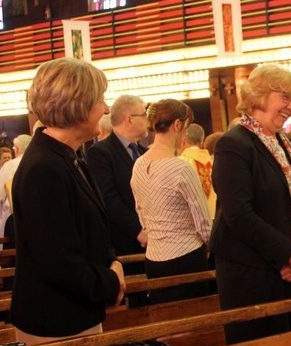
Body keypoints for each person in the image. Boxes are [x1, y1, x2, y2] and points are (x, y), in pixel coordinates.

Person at [10, 57, 125, 346]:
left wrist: (112, 261)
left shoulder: (71, 156)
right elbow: (56, 260)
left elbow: (93, 224)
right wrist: (109, 283)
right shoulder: (44, 166)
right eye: (100, 99)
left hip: (76, 309)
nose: (106, 108)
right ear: (76, 103)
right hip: (55, 319)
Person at [210, 64, 291, 346]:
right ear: (258, 95)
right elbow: (238, 215)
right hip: (249, 271)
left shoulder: (283, 142)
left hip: (281, 269)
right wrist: (288, 254)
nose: (290, 106)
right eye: (285, 97)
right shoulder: (234, 143)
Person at [131, 100, 212, 304]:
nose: (184, 136)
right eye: (185, 128)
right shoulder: (180, 168)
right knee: (195, 324)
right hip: (186, 256)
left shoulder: (139, 164)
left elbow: (140, 210)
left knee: (164, 318)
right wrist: (210, 245)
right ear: (177, 125)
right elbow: (203, 222)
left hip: (154, 258)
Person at [86, 94, 148, 260]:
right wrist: (138, 230)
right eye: (144, 114)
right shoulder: (100, 152)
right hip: (124, 243)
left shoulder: (144, 153)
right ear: (129, 119)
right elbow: (108, 199)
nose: (147, 120)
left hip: (154, 240)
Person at [0, 134, 31, 249]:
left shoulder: (10, 165)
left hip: (14, 216)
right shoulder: (40, 161)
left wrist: (1, 211)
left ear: (17, 149)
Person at [179, 123, 216, 219]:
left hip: (192, 220)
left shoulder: (180, 163)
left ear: (183, 140)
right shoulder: (214, 162)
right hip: (215, 217)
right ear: (202, 142)